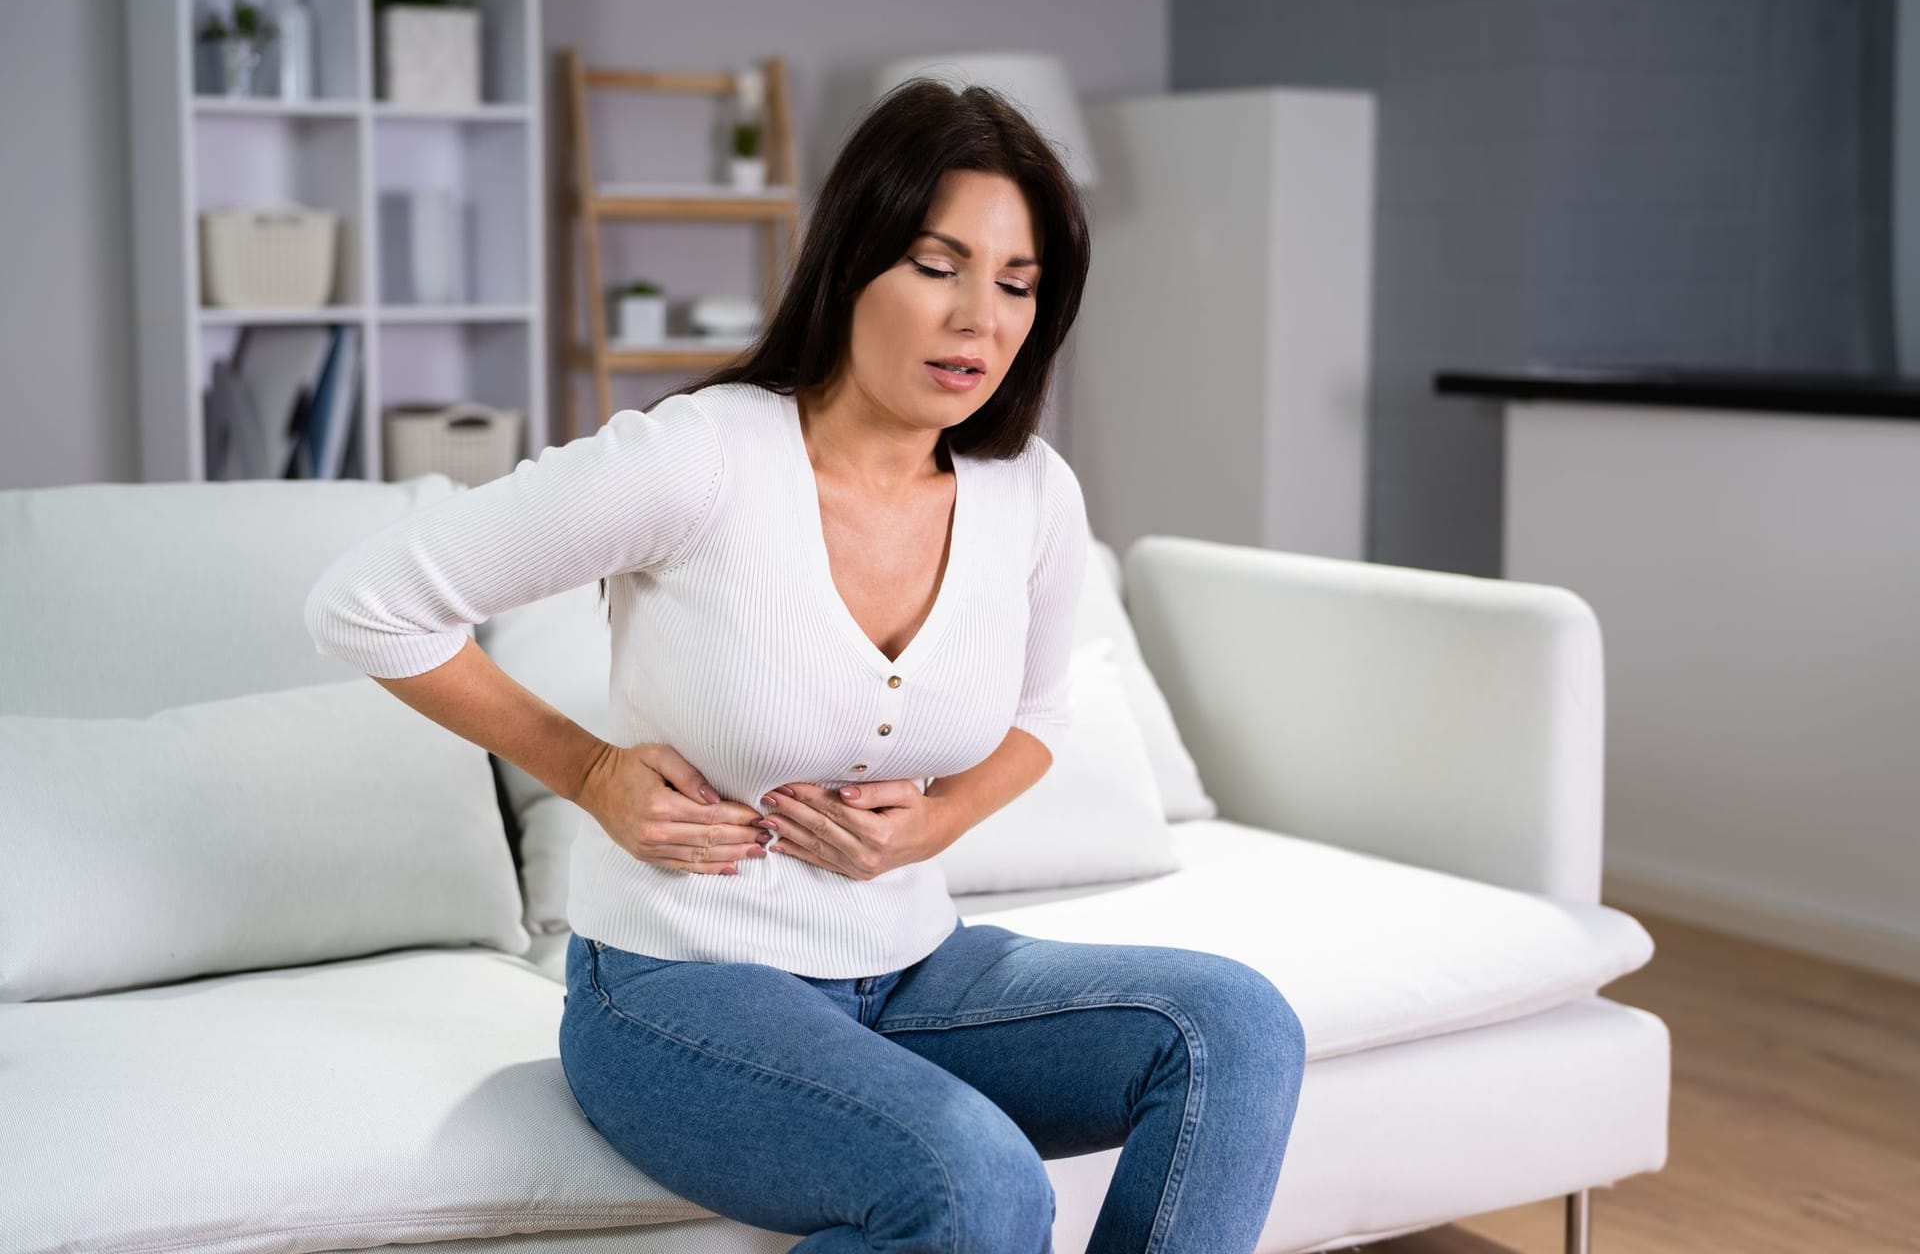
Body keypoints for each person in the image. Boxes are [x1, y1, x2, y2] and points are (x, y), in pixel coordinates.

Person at [305, 78, 1305, 1254]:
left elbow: (1040, 712)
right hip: (675, 988)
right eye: (938, 265)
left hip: (914, 970)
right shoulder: (702, 458)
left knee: (1235, 1029)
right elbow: (366, 604)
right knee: (977, 1183)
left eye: (1017, 283)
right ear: (852, 260)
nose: (979, 318)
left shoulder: (1029, 493)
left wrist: (936, 824)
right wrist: (587, 771)